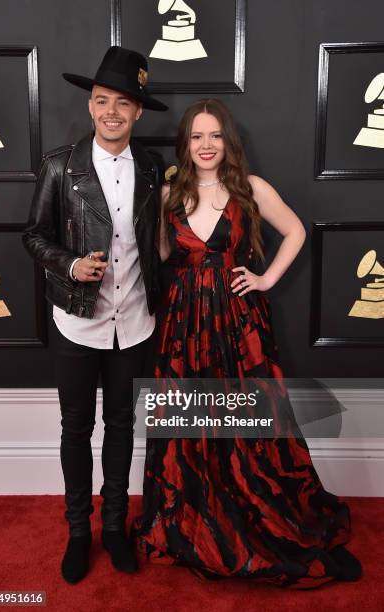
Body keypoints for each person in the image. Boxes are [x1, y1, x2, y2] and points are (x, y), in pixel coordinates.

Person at [133, 98, 362, 588]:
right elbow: (160, 255)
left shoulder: (250, 188)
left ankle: (252, 507)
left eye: (215, 135)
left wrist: (265, 279)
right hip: (183, 326)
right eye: (197, 136)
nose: (206, 145)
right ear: (185, 144)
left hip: (239, 325)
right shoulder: (171, 193)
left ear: (228, 141)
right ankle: (197, 509)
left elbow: (297, 231)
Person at [22, 46, 168, 584]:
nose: (112, 112)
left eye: (123, 103)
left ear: (137, 113)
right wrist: (68, 264)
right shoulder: (60, 166)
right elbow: (33, 236)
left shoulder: (152, 169)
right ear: (90, 106)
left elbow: (155, 244)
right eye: (103, 100)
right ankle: (78, 533)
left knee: (123, 426)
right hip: (77, 322)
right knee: (76, 428)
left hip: (134, 322)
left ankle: (113, 527)